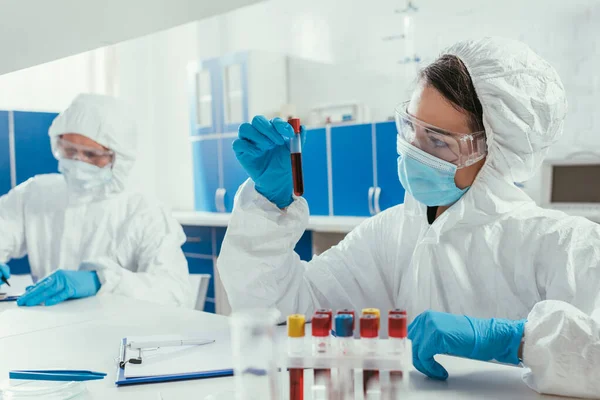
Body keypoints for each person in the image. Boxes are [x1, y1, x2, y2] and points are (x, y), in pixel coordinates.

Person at [217, 37, 600, 398]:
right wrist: (269, 204)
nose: (414, 152)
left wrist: (515, 340)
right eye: (410, 129)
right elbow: (285, 310)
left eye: (437, 141)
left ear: (497, 152)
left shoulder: (565, 244)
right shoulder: (394, 232)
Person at [0, 94, 192, 308]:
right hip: (50, 326)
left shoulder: (144, 210)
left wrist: (102, 280)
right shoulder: (35, 193)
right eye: (70, 150)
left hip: (119, 332)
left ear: (118, 157)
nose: (78, 162)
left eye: (91, 154)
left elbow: (174, 291)